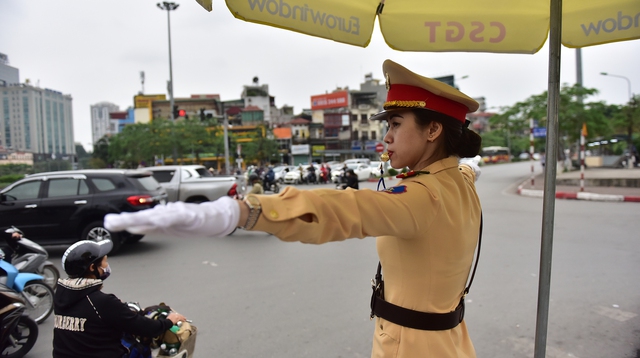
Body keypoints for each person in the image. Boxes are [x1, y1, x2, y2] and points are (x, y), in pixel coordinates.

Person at [105, 59, 483, 358]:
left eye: (396, 124)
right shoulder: (457, 180)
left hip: (411, 349)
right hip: (450, 340)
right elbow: (468, 167)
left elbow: (345, 208)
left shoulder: (423, 195)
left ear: (433, 130)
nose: (386, 136)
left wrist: (242, 212)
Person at [53, 240, 186, 358]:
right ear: (92, 268)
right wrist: (168, 321)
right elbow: (146, 328)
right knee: (138, 348)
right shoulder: (102, 302)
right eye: (105, 261)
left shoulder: (62, 296)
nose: (107, 265)